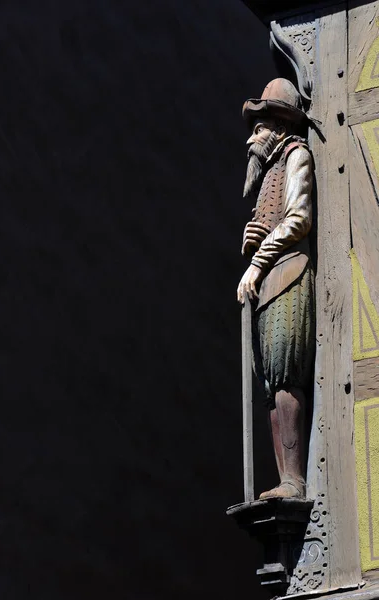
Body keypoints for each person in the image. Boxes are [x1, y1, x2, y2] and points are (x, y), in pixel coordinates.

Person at [237, 78, 315, 500]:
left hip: (287, 274)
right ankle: (285, 478)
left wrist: (257, 260)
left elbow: (299, 217)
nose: (253, 138)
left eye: (260, 128)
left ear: (280, 127)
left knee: (286, 374)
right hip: (271, 276)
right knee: (271, 384)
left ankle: (294, 480)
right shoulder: (271, 169)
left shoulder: (296, 154)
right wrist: (256, 237)